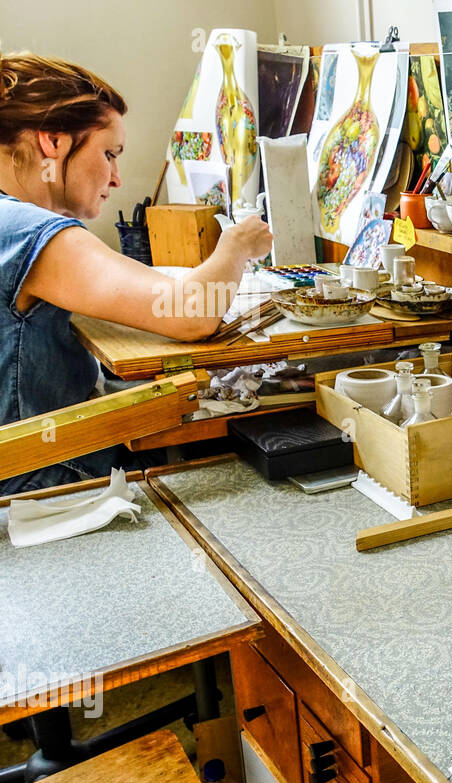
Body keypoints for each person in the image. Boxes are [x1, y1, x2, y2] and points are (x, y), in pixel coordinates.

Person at [0, 51, 272, 495]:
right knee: (242, 463)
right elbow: (192, 312)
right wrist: (237, 245)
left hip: (23, 464)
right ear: (52, 143)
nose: (116, 177)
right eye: (109, 153)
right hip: (40, 478)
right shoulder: (27, 230)